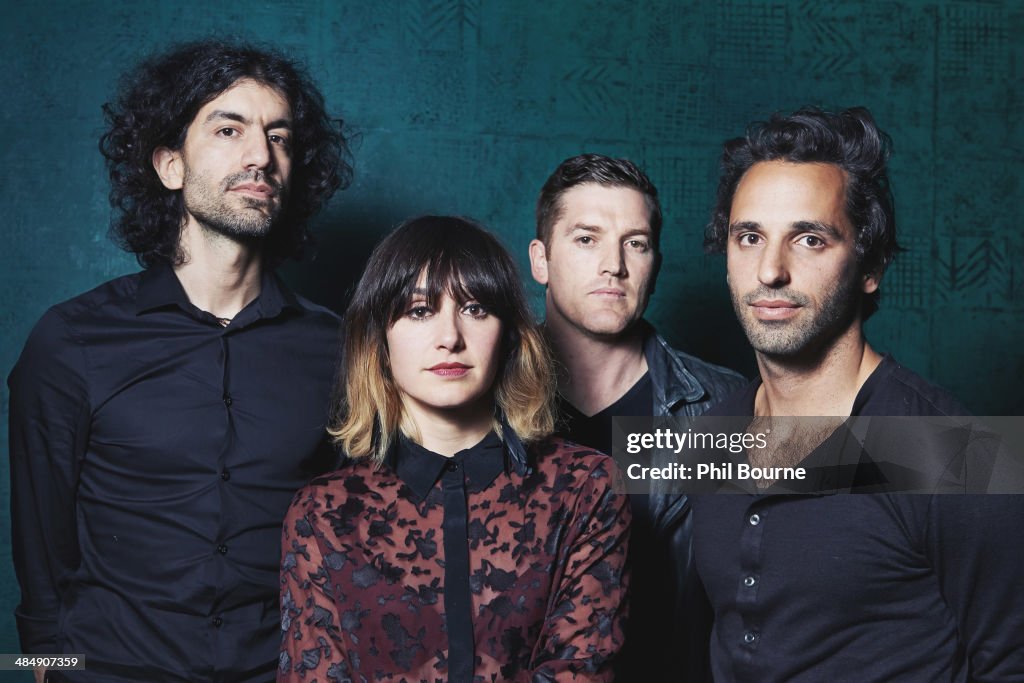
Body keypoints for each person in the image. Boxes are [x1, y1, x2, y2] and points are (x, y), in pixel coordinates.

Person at [8, 40, 351, 682]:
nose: (260, 156)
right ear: (169, 164)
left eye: (279, 137)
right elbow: (38, 540)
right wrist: (42, 666)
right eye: (229, 129)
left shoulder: (335, 349)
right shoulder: (71, 341)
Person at [692, 106, 1024, 681]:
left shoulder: (951, 452)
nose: (770, 270)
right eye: (748, 237)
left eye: (810, 239)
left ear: (869, 266)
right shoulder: (711, 436)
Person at [278, 216, 630, 682]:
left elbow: (582, 671)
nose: (450, 337)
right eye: (420, 311)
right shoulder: (323, 514)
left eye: (476, 309)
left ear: (508, 335)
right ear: (379, 339)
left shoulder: (587, 489)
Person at [528, 154, 745, 681]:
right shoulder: (483, 398)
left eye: (636, 243)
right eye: (586, 239)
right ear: (541, 260)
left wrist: (974, 457)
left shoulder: (719, 405)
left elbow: (877, 468)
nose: (614, 264)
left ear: (655, 264)